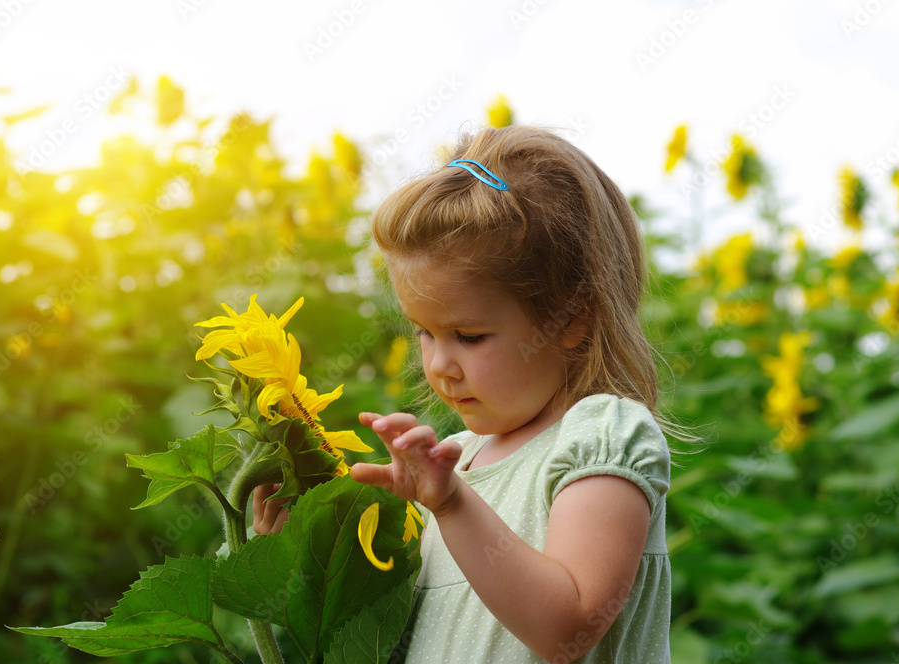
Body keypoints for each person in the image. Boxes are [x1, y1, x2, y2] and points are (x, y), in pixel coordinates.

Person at [254, 125, 673, 663]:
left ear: (571, 317)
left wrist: (452, 504)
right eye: (424, 332)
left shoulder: (602, 435)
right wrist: (304, 557)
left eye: (468, 336)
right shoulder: (462, 462)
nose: (437, 364)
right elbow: (400, 637)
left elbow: (568, 625)